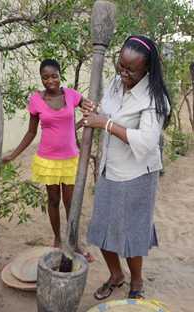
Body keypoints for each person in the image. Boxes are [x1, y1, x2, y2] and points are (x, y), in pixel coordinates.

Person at [82, 35, 171, 299]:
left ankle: (137, 283)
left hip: (137, 175)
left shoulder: (155, 100)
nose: (123, 72)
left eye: (130, 69)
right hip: (110, 169)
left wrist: (105, 124)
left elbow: (145, 142)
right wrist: (95, 110)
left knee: (132, 233)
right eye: (121, 65)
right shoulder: (115, 83)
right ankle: (116, 275)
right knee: (101, 228)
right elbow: (108, 112)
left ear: (147, 69)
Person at [3, 59, 94, 262]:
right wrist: (13, 155)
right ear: (41, 78)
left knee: (71, 203)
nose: (50, 80)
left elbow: (89, 106)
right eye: (45, 77)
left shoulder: (71, 95)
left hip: (70, 158)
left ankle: (74, 243)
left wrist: (78, 124)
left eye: (53, 76)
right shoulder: (36, 100)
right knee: (53, 200)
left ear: (60, 75)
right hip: (48, 160)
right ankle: (57, 239)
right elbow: (31, 132)